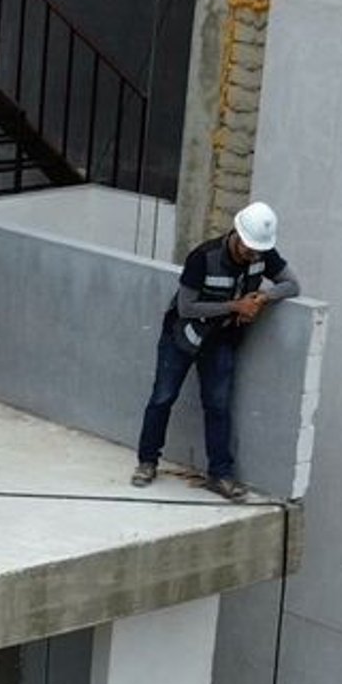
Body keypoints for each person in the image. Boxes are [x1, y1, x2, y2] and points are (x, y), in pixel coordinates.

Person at [133, 201, 300, 500]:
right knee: (162, 397)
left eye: (257, 250)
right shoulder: (203, 257)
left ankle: (220, 475)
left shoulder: (263, 255)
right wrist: (236, 305)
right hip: (182, 336)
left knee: (218, 405)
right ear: (236, 234)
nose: (253, 255)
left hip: (220, 339)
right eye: (249, 248)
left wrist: (261, 298)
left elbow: (292, 284)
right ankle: (147, 461)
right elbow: (187, 306)